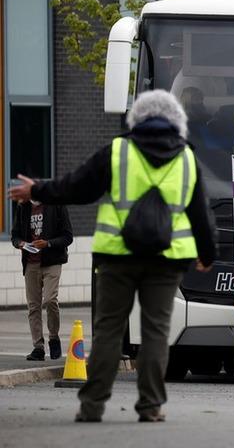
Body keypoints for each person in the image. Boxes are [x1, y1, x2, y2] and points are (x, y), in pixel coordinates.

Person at [8, 90, 217, 423]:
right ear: (177, 120)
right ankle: (150, 407)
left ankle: (92, 406)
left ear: (136, 118)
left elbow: (76, 187)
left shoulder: (118, 151)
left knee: (108, 331)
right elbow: (200, 215)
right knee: (155, 332)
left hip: (118, 257)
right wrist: (207, 254)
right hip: (166, 260)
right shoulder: (188, 158)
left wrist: (36, 190)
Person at [11, 199, 73, 361]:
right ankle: (38, 347)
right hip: (31, 264)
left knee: (51, 300)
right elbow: (14, 236)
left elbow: (68, 237)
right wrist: (20, 243)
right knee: (33, 306)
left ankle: (54, 338)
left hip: (52, 261)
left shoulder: (56, 204)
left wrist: (48, 244)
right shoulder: (23, 207)